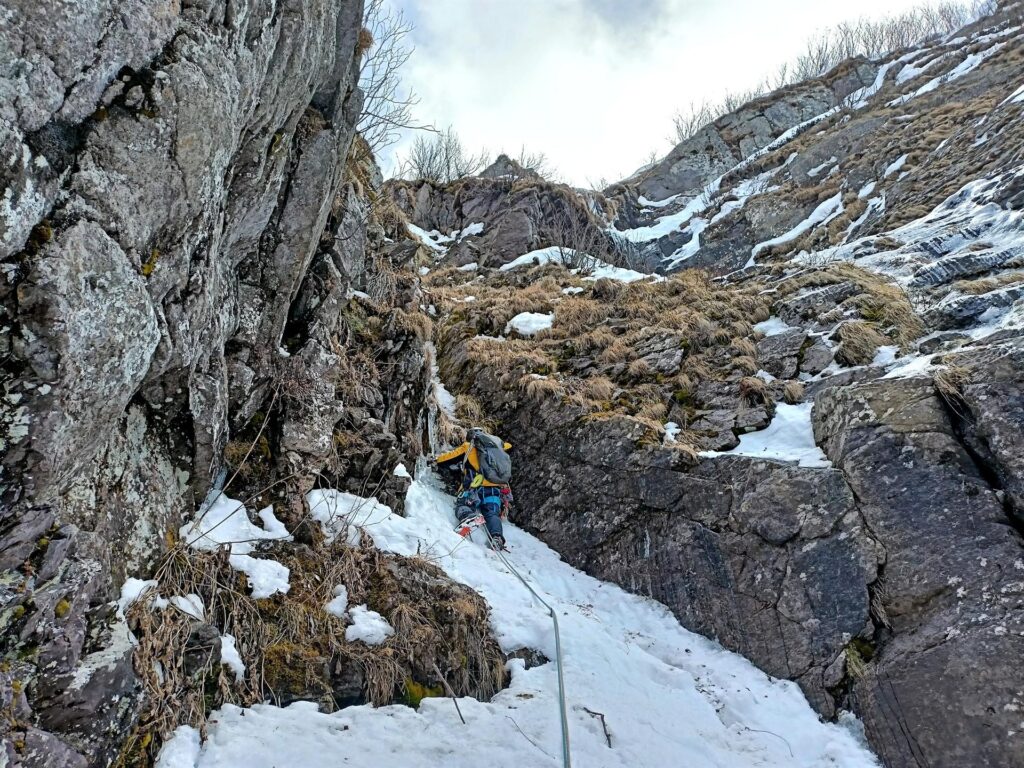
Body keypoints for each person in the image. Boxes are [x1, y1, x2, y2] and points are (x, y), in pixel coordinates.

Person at [435, 427, 513, 550]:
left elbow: (446, 459)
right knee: (492, 514)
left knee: (463, 505)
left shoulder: (468, 447)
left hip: (473, 488)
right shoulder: (500, 447)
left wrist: (435, 460)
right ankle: (497, 537)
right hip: (494, 490)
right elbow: (509, 446)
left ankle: (469, 517)